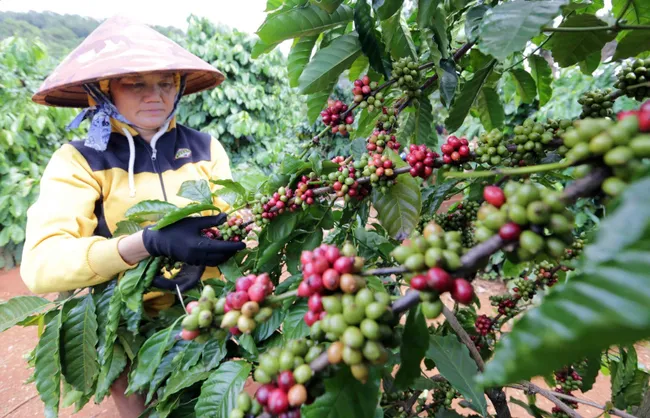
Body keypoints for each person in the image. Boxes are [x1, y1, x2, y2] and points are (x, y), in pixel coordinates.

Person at [20, 15, 246, 416]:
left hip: (207, 312)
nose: (155, 96)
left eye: (165, 82)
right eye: (135, 83)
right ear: (102, 91)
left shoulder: (205, 148)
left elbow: (232, 218)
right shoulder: (81, 160)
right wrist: (144, 243)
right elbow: (41, 263)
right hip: (126, 324)